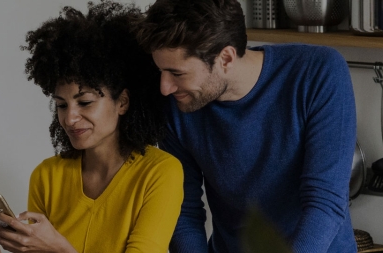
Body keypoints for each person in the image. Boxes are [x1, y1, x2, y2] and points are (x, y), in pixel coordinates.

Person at [0, 1, 184, 253]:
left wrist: (59, 249)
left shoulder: (160, 172)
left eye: (85, 102)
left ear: (122, 102)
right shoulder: (47, 176)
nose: (70, 118)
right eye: (61, 105)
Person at [134, 0, 358, 252]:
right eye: (161, 71)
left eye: (177, 73)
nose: (165, 87)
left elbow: (325, 203)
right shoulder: (178, 105)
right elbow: (184, 213)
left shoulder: (317, 73)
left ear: (226, 58)